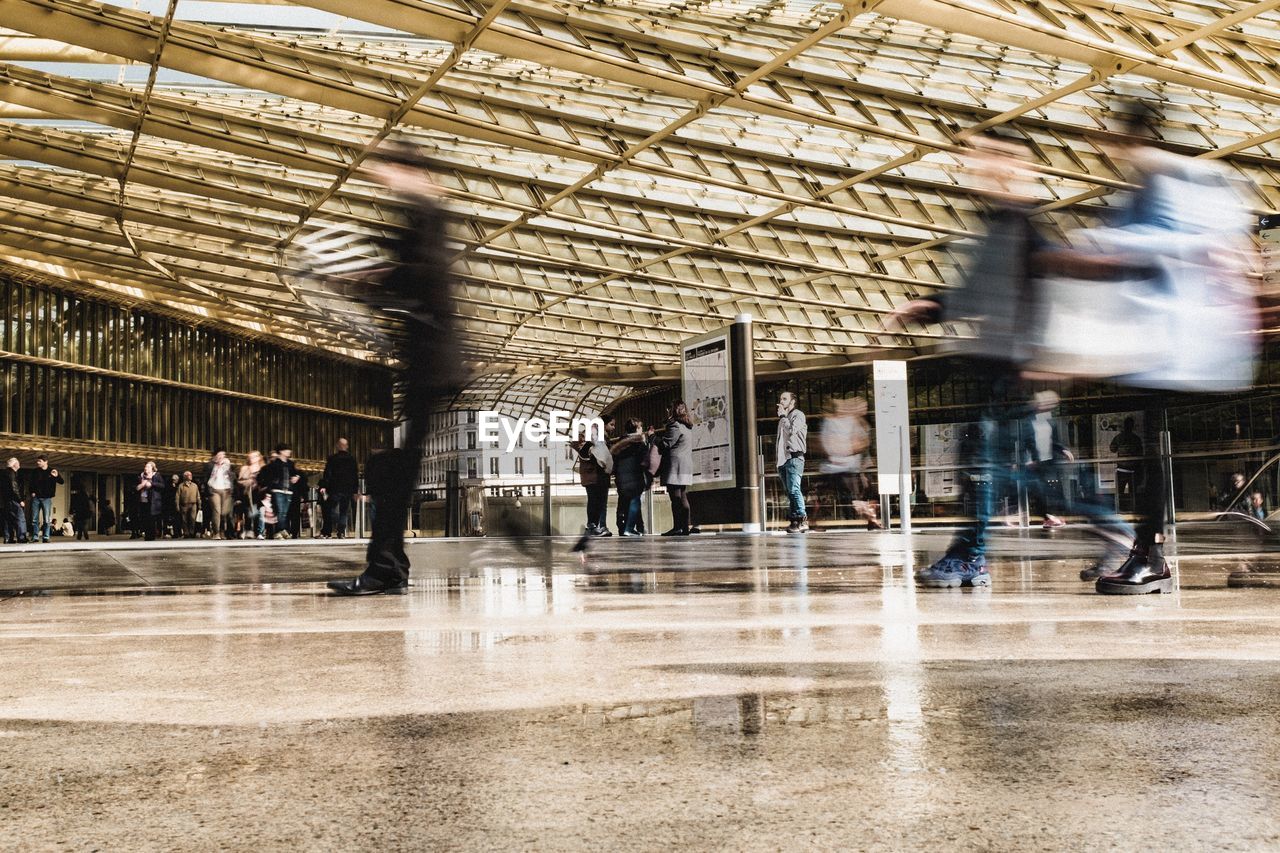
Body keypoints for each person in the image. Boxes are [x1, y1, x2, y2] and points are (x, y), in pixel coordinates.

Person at [891, 132, 1134, 589]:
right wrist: (930, 307)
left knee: (990, 468)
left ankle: (972, 557)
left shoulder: (1021, 226)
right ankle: (1106, 527)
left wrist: (1044, 360)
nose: (979, 165)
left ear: (1018, 169)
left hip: (1014, 370)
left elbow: (1045, 293)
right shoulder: (1000, 224)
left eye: (993, 157)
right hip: (1002, 366)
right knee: (1018, 470)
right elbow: (979, 293)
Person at [328, 141, 465, 595]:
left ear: (409, 169)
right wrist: (367, 284)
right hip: (425, 362)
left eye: (388, 169)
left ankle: (385, 568)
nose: (382, 178)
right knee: (393, 468)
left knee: (396, 471)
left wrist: (370, 277)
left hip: (431, 362)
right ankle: (389, 566)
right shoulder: (425, 213)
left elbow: (422, 276)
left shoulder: (427, 212)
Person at [819, 396, 883, 530]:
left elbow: (861, 443)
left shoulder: (854, 421)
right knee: (854, 498)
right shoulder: (837, 422)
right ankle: (872, 519)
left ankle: (872, 520)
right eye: (861, 407)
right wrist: (851, 449)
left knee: (864, 496)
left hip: (855, 467)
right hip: (845, 468)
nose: (864, 410)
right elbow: (854, 444)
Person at [1023, 391, 1068, 530]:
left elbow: (1053, 440)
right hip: (1036, 462)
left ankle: (1055, 515)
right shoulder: (1029, 420)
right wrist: (1030, 459)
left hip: (1048, 460)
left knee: (1054, 488)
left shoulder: (1049, 420)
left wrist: (1062, 450)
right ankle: (1047, 517)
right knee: (1039, 490)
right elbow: (1027, 442)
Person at [656, 401, 695, 536]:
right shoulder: (687, 426)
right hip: (685, 465)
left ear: (674, 410)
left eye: (669, 409)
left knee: (675, 498)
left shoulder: (675, 425)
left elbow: (665, 444)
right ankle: (684, 527)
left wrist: (653, 438)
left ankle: (678, 527)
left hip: (674, 465)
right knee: (682, 496)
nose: (667, 412)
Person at [610, 418, 651, 536]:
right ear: (637, 428)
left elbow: (614, 460)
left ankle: (622, 527)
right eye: (641, 427)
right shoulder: (639, 443)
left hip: (621, 477)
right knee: (634, 502)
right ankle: (630, 528)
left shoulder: (619, 443)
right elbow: (645, 462)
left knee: (622, 502)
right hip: (635, 476)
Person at [775, 391, 809, 533]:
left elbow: (792, 430)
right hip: (783, 461)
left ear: (792, 401)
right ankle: (794, 521)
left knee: (794, 489)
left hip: (795, 458)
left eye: (785, 399)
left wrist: (783, 416)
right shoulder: (784, 419)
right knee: (790, 492)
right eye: (780, 398)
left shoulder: (798, 415)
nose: (781, 401)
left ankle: (802, 519)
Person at [571, 427, 613, 537]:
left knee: (601, 503)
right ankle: (593, 525)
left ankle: (600, 525)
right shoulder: (584, 443)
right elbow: (586, 453)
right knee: (594, 501)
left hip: (600, 476)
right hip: (592, 477)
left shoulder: (599, 441)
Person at [258, 445, 299, 539]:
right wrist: (269, 485)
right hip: (277, 490)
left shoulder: (290, 463)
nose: (289, 451)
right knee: (279, 511)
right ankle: (279, 531)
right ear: (281, 452)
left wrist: (296, 477)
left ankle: (281, 530)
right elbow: (264, 474)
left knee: (284, 512)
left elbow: (295, 473)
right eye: (287, 449)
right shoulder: (274, 464)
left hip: (288, 490)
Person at [321, 437, 359, 539]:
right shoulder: (352, 459)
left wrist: (324, 485)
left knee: (330, 509)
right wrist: (355, 490)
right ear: (347, 446)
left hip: (335, 489)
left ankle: (327, 531)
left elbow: (327, 474)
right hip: (347, 490)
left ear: (337, 446)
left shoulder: (332, 459)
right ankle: (341, 531)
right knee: (344, 511)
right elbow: (355, 476)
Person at [27, 455, 64, 544]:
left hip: (47, 498)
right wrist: (32, 491)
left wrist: (57, 475)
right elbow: (31, 482)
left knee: (47, 519)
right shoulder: (35, 471)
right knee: (34, 519)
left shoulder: (52, 471)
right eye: (38, 461)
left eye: (39, 461)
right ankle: (35, 537)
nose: (38, 462)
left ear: (45, 461)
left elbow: (62, 482)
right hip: (36, 498)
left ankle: (46, 537)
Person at [1110, 417, 1143, 512]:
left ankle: (1119, 509)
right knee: (1133, 492)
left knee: (1120, 491)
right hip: (1132, 469)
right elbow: (1140, 453)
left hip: (1121, 468)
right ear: (1132, 426)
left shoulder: (1118, 437)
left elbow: (1112, 449)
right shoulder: (1136, 438)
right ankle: (1133, 509)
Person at [204, 449, 235, 539]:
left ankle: (222, 531)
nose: (222, 456)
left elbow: (233, 477)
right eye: (219, 455)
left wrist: (227, 467)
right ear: (215, 456)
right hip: (214, 490)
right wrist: (216, 465)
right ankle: (216, 533)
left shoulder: (227, 465)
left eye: (223, 455)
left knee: (224, 513)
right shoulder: (210, 465)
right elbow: (206, 477)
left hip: (226, 490)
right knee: (217, 511)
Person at [238, 450, 266, 540]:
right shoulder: (245, 468)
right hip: (249, 493)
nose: (252, 458)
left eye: (254, 456)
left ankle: (258, 532)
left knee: (259, 513)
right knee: (249, 513)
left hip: (260, 493)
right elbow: (239, 481)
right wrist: (248, 481)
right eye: (251, 456)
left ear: (259, 457)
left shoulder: (263, 468)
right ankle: (249, 530)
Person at [135, 461, 165, 541]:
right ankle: (146, 535)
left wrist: (152, 483)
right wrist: (142, 484)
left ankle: (151, 536)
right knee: (144, 518)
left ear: (152, 468)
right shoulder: (141, 476)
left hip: (153, 501)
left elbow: (162, 485)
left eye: (148, 467)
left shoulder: (157, 475)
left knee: (151, 518)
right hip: (143, 500)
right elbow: (136, 488)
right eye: (145, 467)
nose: (145, 468)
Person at [2, 458, 27, 544]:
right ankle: (21, 537)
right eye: (18, 463)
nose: (19, 464)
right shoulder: (12, 474)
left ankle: (8, 538)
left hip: (6, 500)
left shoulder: (3, 473)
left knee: (8, 520)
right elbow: (14, 488)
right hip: (13, 500)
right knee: (20, 518)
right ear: (14, 465)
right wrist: (20, 500)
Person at [176, 471, 201, 538]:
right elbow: (177, 496)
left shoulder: (195, 485)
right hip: (184, 505)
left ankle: (191, 532)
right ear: (185, 476)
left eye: (190, 475)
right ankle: (186, 533)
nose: (190, 476)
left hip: (193, 505)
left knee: (192, 519)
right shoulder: (181, 486)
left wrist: (199, 504)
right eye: (188, 475)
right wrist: (177, 506)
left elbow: (198, 495)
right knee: (184, 520)